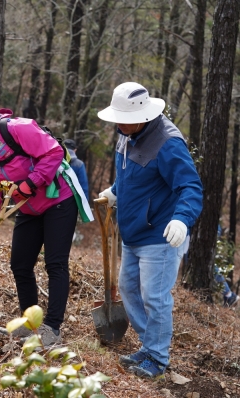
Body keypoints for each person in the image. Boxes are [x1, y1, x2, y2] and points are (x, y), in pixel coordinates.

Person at [0, 102, 92, 347]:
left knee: (55, 263)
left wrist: (31, 183)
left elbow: (53, 153)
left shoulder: (18, 129)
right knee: (20, 264)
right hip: (26, 206)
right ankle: (29, 324)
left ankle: (52, 328)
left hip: (58, 199)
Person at [97, 82, 203, 379]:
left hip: (160, 234)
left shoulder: (167, 143)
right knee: (129, 289)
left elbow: (190, 187)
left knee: (154, 297)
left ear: (143, 116)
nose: (118, 123)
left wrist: (182, 219)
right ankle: (149, 345)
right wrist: (115, 191)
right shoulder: (125, 135)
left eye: (123, 118)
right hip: (132, 233)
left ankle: (157, 357)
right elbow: (129, 175)